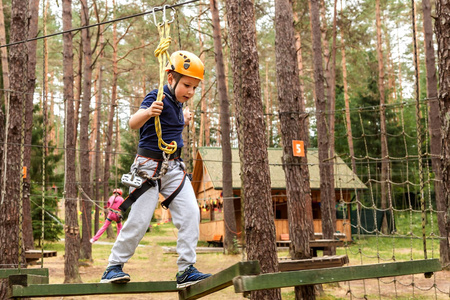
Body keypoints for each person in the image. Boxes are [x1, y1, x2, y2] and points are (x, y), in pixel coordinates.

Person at [100, 50, 211, 288]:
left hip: (173, 168)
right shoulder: (157, 96)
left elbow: (171, 126)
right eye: (187, 86)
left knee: (191, 213)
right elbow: (132, 122)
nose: (190, 92)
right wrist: (149, 112)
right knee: (139, 221)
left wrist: (185, 119)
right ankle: (113, 267)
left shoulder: (180, 105)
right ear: (171, 78)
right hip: (148, 168)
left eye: (194, 88)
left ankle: (186, 270)